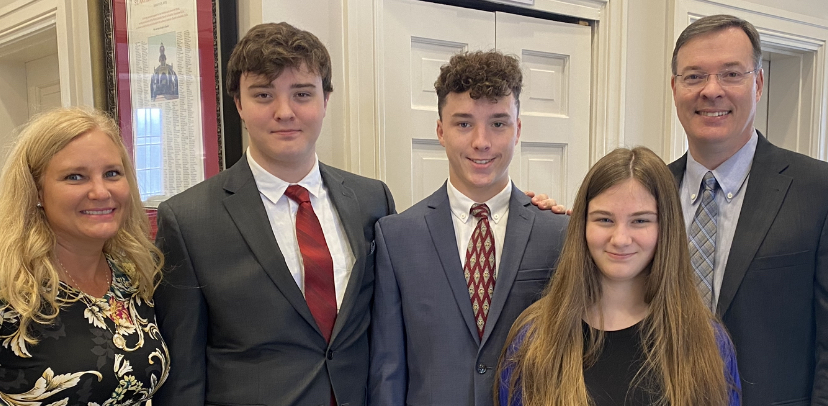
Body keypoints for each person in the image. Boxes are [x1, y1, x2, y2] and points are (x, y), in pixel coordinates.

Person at [152, 22, 396, 406]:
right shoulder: (188, 220)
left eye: (302, 94)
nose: (285, 112)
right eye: (264, 95)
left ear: (325, 100)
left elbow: (390, 330)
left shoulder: (372, 200)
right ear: (239, 104)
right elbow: (182, 373)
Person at [368, 50, 569, 406]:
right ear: (440, 131)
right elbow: (389, 369)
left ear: (518, 130)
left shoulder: (557, 233)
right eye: (463, 124)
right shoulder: (397, 237)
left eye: (498, 124)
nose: (481, 141)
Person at [498, 147, 740, 406]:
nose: (620, 239)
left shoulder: (707, 341)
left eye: (640, 221)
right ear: (582, 225)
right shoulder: (535, 339)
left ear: (666, 227)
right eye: (604, 220)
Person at [668, 15, 828, 404]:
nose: (711, 91)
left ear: (757, 83)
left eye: (731, 74)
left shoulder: (817, 191)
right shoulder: (651, 193)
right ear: (674, 88)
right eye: (694, 76)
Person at [0, 107, 168, 404]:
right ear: (36, 191)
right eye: (75, 177)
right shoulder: (9, 289)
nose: (101, 192)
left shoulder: (135, 273)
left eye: (112, 173)